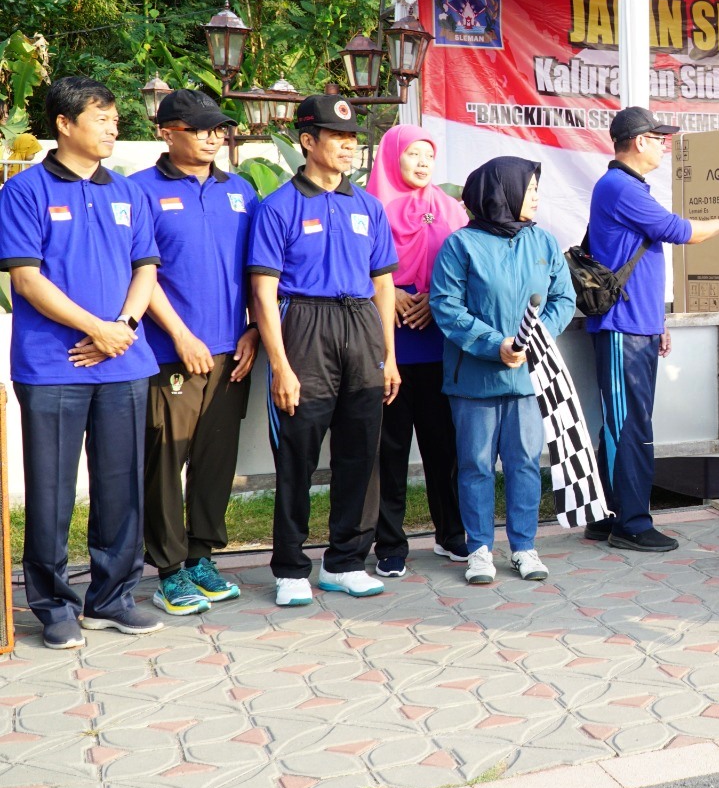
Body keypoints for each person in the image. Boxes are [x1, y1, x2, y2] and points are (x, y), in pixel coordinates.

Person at [0, 77, 164, 648]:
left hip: (124, 362)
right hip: (53, 365)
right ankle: (53, 606)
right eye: (102, 118)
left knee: (122, 488)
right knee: (51, 491)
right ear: (64, 124)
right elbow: (26, 278)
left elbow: (146, 268)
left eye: (116, 119)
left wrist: (123, 329)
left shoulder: (128, 192)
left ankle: (112, 599)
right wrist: (97, 329)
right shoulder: (26, 191)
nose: (113, 128)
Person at [247, 95, 401, 606]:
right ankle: (291, 567)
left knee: (360, 452)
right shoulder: (278, 207)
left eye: (353, 138)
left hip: (361, 325)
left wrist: (389, 356)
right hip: (305, 325)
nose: (348, 146)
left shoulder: (368, 206)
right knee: (297, 454)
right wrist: (280, 366)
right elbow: (263, 291)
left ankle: (345, 562)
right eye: (337, 137)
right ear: (308, 141)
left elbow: (384, 285)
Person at [586, 107, 719, 553]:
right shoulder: (620, 186)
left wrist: (657, 323)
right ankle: (631, 524)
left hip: (637, 324)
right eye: (658, 138)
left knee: (625, 424)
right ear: (639, 141)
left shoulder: (627, 186)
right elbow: (676, 230)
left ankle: (607, 516)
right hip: (622, 327)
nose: (663, 145)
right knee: (628, 427)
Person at [130, 90, 259, 616]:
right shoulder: (139, 190)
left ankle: (202, 557)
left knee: (215, 458)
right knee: (165, 460)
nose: (212, 137)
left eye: (218, 129)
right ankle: (169, 570)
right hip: (169, 353)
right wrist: (181, 335)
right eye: (200, 128)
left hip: (233, 351)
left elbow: (259, 270)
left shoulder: (241, 191)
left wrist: (254, 329)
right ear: (167, 132)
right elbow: (141, 271)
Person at [431, 157, 576, 584]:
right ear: (503, 193)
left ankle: (524, 547)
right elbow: (446, 306)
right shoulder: (460, 245)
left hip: (529, 378)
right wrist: (496, 345)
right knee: (475, 464)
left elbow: (563, 299)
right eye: (529, 190)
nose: (536, 198)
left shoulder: (543, 241)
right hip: (474, 379)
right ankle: (479, 550)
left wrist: (533, 339)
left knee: (525, 463)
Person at [364, 125, 469, 578]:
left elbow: (466, 267)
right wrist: (391, 294)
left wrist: (435, 298)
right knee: (388, 452)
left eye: (429, 154)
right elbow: (354, 263)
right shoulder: (370, 207)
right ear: (392, 156)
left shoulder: (450, 209)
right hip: (387, 347)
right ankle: (390, 543)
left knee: (444, 448)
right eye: (413, 154)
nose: (423, 163)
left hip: (437, 342)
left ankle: (452, 534)